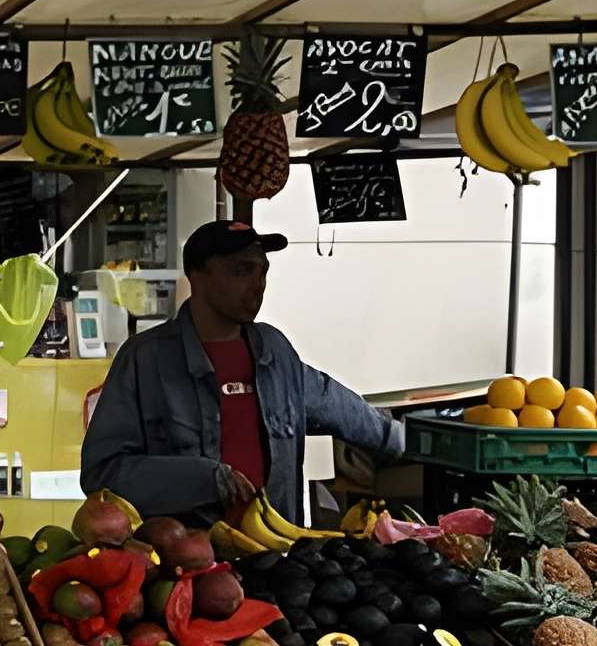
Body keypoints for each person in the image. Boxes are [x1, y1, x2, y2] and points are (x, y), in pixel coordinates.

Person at [78, 219, 406, 525]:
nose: (258, 285)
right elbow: (102, 472)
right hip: (187, 567)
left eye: (263, 272)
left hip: (276, 561)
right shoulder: (145, 359)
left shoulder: (276, 351)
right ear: (197, 275)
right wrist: (200, 479)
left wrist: (412, 444)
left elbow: (339, 407)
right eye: (242, 270)